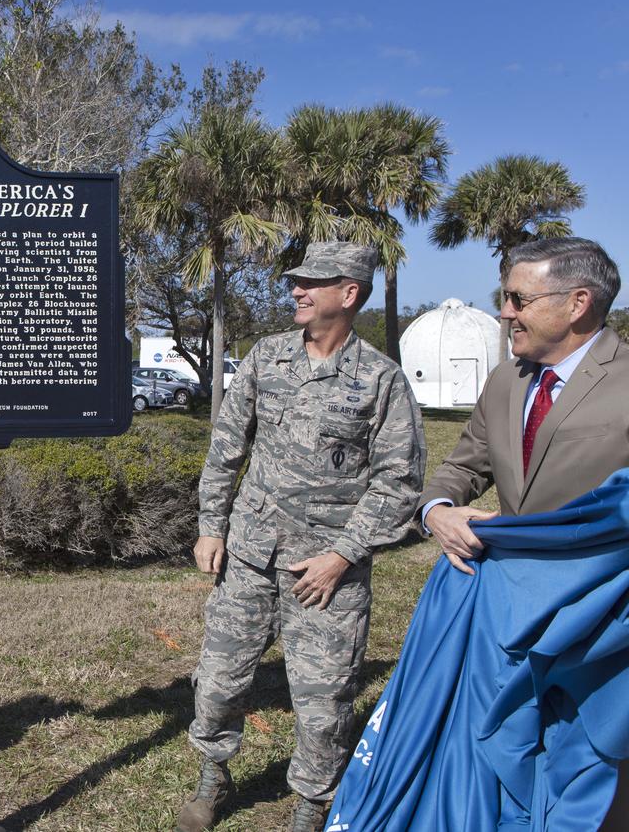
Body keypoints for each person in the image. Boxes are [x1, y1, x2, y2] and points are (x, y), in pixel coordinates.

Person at [176, 241, 425, 832]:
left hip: (324, 573)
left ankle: (311, 805)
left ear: (350, 293)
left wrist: (342, 555)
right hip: (250, 556)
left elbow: (399, 483)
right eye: (296, 281)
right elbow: (225, 450)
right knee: (218, 680)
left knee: (324, 701)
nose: (297, 290)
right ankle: (213, 776)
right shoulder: (266, 358)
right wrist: (213, 527)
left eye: (313, 282)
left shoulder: (380, 380)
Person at [420, 236, 629, 829]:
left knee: (595, 765)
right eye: (502, 297)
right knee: (514, 750)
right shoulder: (508, 380)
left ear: (578, 302)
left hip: (605, 620)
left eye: (517, 298)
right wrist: (438, 508)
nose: (504, 312)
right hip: (512, 613)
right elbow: (463, 466)